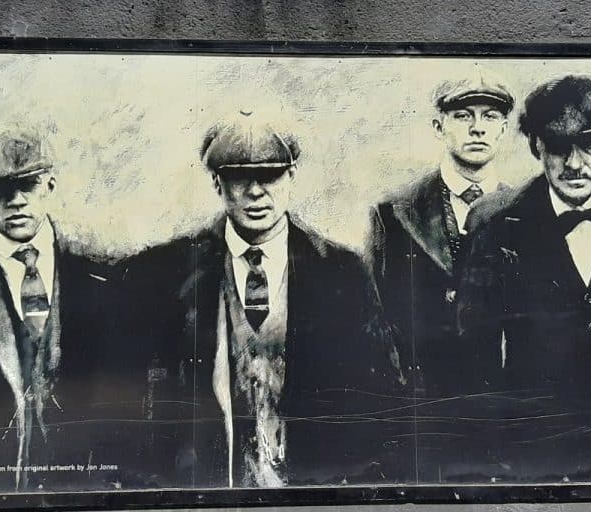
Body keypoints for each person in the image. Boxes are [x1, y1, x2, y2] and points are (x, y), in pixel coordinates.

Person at [121, 111, 400, 489]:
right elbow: (144, 405)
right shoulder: (171, 273)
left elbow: (380, 396)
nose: (256, 192)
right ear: (218, 183)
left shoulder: (341, 272)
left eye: (270, 176)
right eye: (239, 178)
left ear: (291, 177)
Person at [458, 75, 591, 480]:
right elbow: (473, 353)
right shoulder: (493, 222)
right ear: (537, 145)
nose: (574, 164)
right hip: (533, 455)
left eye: (590, 143)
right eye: (557, 146)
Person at [368, 71, 515, 481]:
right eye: (463, 115)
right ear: (439, 126)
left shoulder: (526, 212)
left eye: (490, 116)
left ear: (504, 128)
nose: (477, 127)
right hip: (420, 418)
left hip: (499, 418)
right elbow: (375, 323)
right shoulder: (394, 214)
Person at [0, 129, 127, 493]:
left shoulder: (102, 274)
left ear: (50, 186)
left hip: (86, 479)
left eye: (28, 185)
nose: (16, 201)